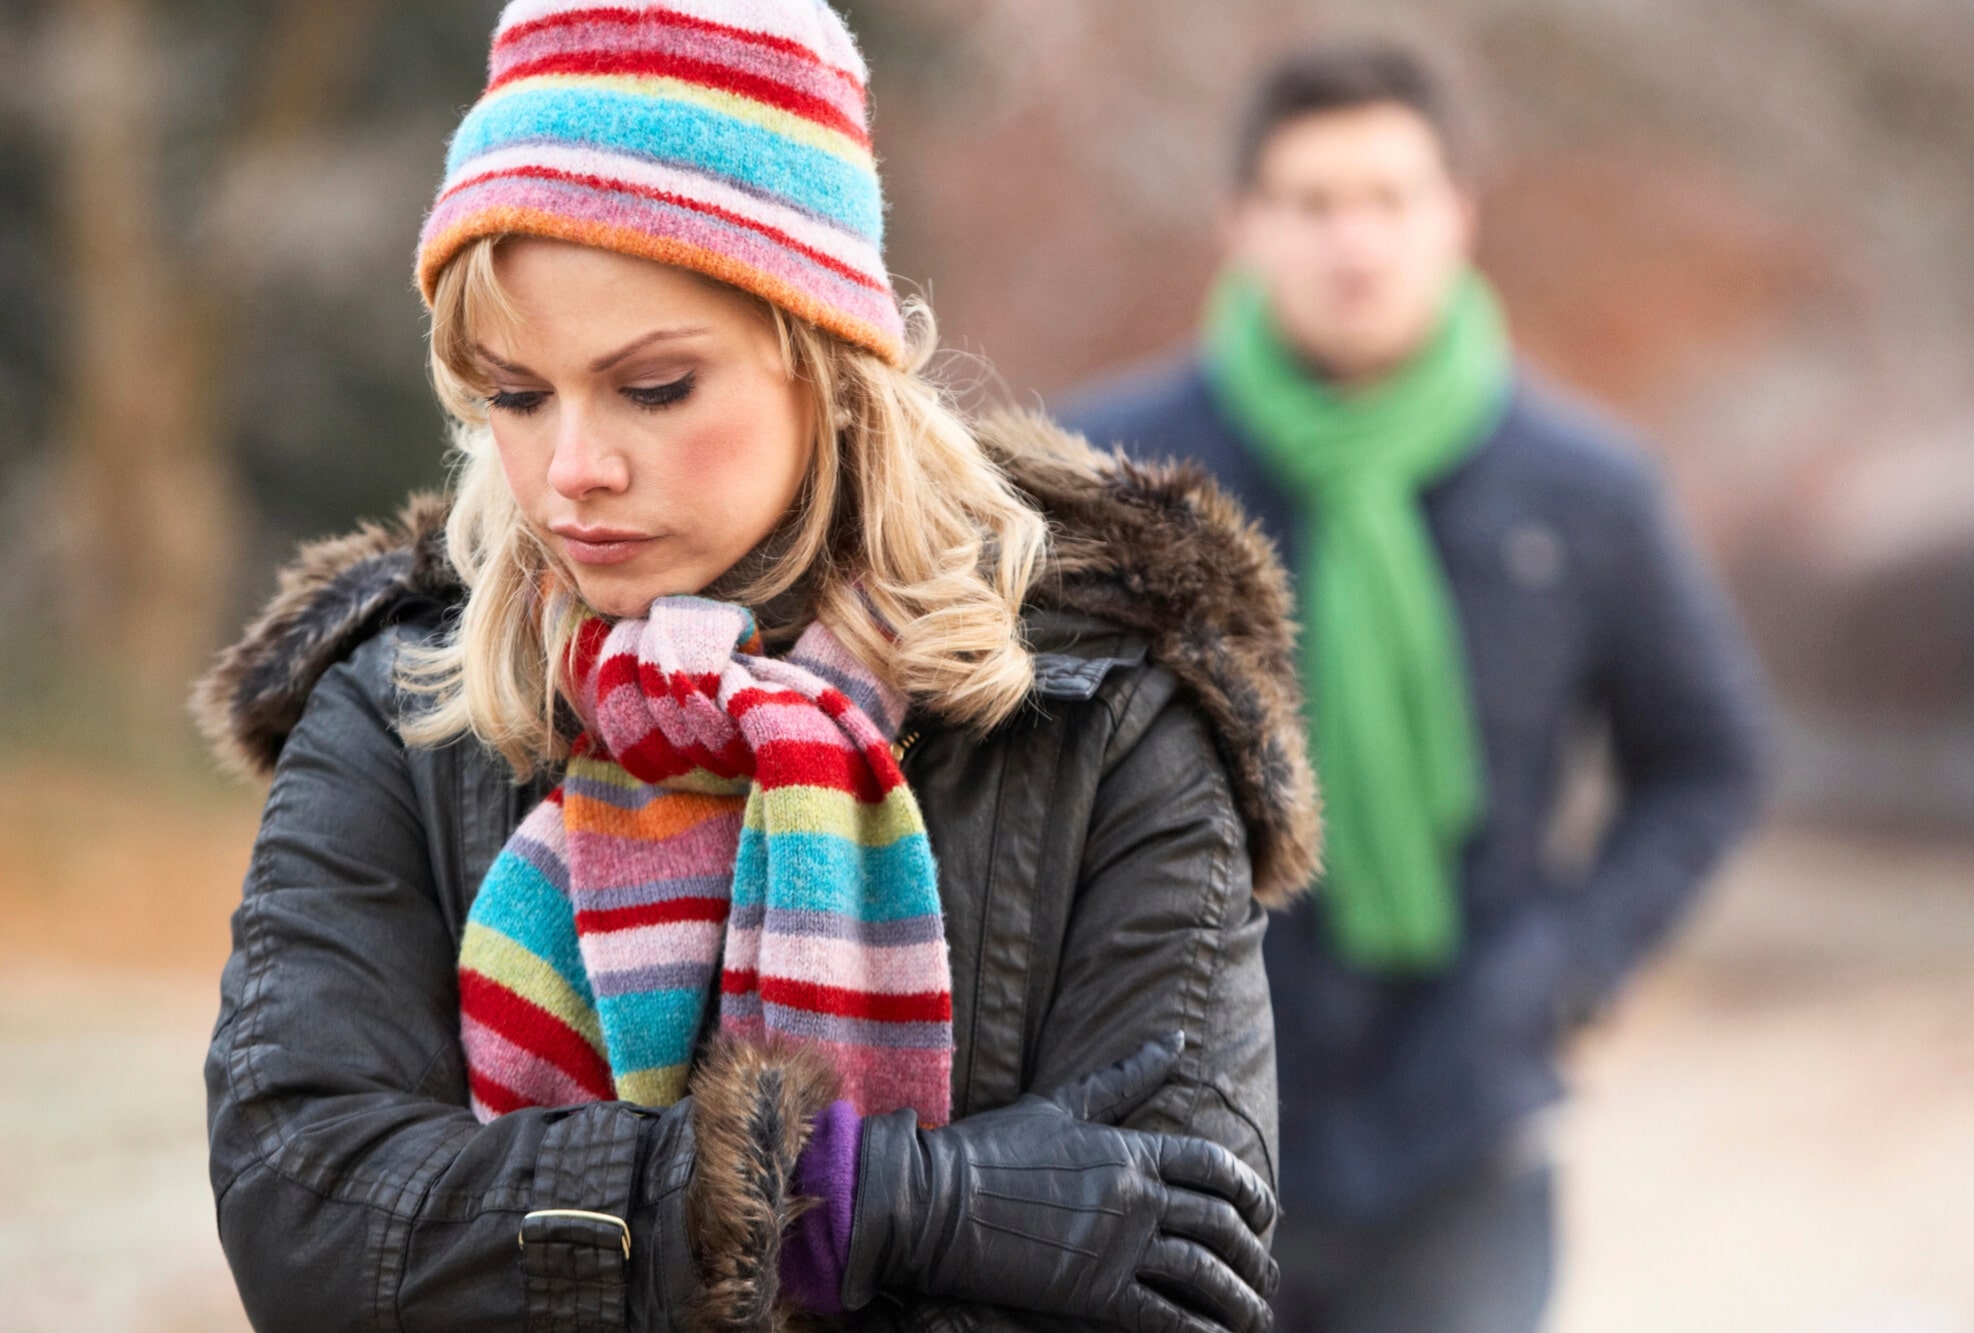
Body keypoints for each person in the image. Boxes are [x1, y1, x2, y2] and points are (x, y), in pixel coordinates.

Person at [195, 3, 1320, 1329]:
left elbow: (1181, 1256)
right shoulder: (393, 706)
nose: (573, 470)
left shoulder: (1107, 712)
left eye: (656, 386)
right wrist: (839, 1204)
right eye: (515, 393)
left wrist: (693, 1221)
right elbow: (308, 1218)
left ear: (827, 361)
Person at [1060, 42, 1767, 1333]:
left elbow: (1711, 759)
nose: (1355, 240)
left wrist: (1569, 967)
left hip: (1461, 1125)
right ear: (1242, 225)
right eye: (1313, 202)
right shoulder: (1110, 472)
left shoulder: (1585, 486)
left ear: (1457, 217)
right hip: (1173, 1130)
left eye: (1390, 198)